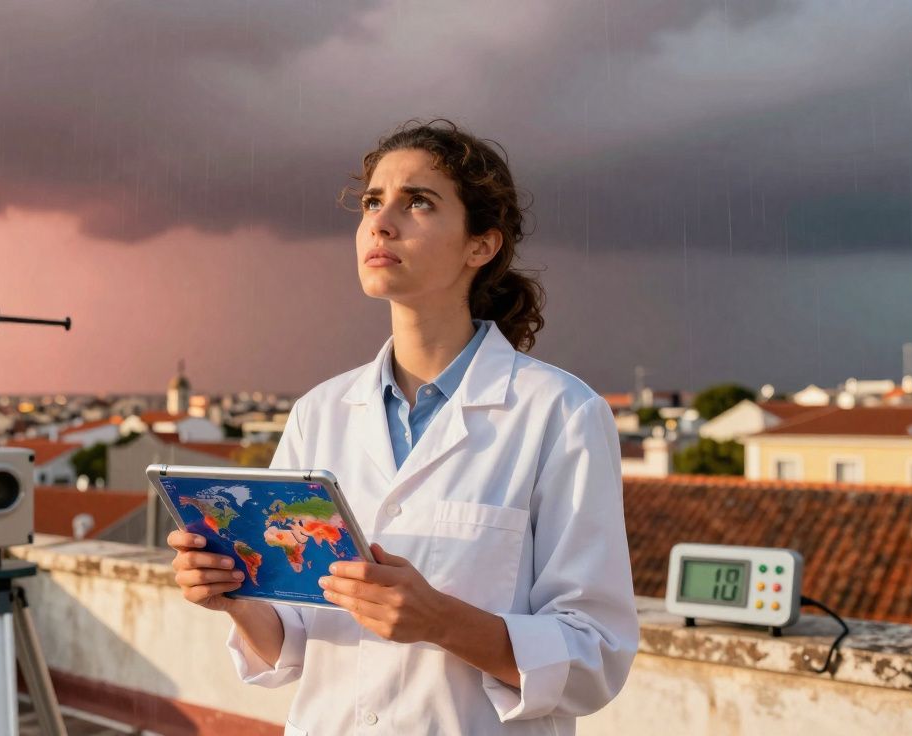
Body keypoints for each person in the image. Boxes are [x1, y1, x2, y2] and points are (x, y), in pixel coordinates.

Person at [167, 119, 638, 735]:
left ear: (481, 246)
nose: (381, 223)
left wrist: (440, 620)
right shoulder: (319, 413)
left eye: (417, 202)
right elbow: (294, 641)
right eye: (372, 202)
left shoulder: (560, 413)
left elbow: (594, 657)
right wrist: (237, 599)